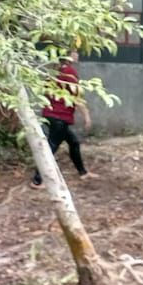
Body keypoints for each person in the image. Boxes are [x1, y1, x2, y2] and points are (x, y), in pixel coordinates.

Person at [30, 52, 93, 188]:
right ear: (68, 56)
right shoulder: (69, 72)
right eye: (74, 52)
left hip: (51, 114)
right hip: (60, 117)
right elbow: (76, 97)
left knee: (73, 142)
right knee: (51, 147)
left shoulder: (53, 71)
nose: (77, 54)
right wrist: (86, 115)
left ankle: (82, 172)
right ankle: (37, 180)